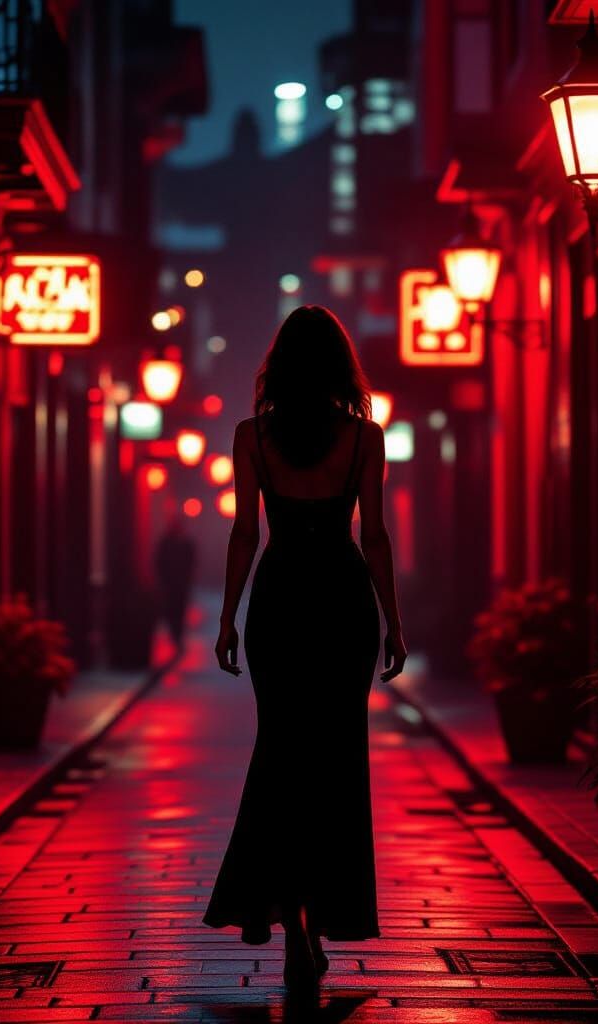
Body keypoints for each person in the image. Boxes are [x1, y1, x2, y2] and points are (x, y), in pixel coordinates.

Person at [202, 305, 407, 993]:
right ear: (340, 367)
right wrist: (394, 622)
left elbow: (243, 534)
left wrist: (228, 616)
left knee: (281, 757)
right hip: (342, 601)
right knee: (336, 764)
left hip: (282, 599)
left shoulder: (251, 436)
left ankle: (288, 921)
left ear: (278, 367)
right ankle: (318, 920)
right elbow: (373, 537)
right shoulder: (364, 438)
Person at [154, 514, 197, 654]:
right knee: (173, 611)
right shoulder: (169, 543)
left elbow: (191, 562)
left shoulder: (184, 544)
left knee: (178, 611)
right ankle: (175, 636)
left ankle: (177, 636)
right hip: (171, 584)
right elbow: (159, 562)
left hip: (179, 584)